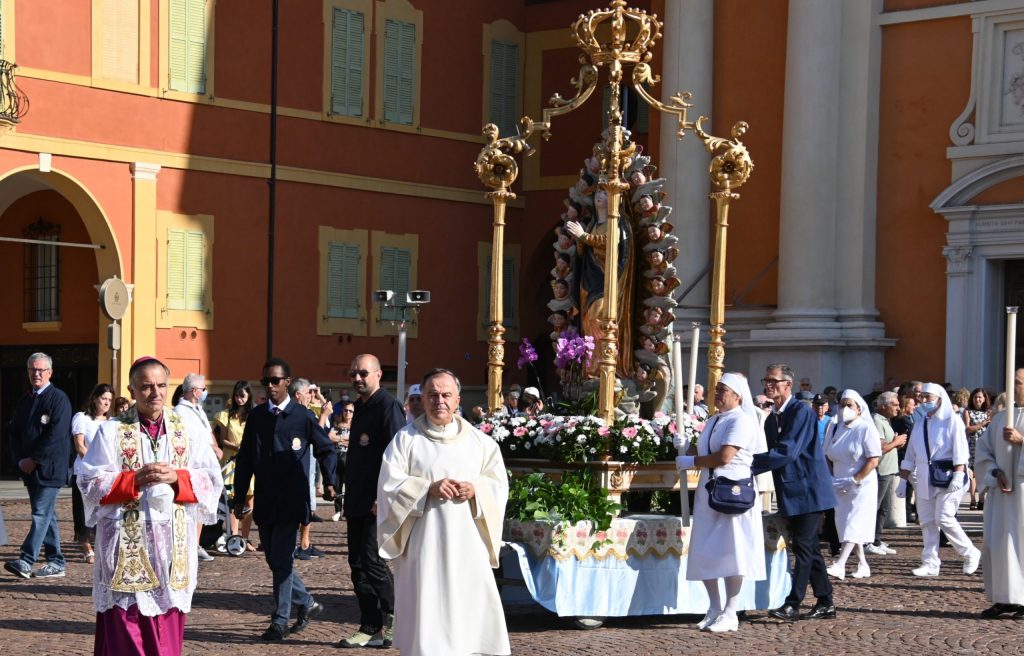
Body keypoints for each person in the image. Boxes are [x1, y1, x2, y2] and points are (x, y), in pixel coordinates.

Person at [76, 356, 223, 655]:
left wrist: (177, 478)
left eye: (160, 385)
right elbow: (89, 482)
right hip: (124, 548)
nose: (155, 392)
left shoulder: (188, 429)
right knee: (125, 626)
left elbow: (211, 480)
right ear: (132, 390)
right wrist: (132, 481)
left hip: (172, 548)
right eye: (146, 387)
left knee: (165, 630)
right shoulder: (112, 431)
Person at [378, 368, 511, 655]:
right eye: (433, 395)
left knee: (468, 611)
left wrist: (476, 490)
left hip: (468, 544)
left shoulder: (480, 442)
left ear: (457, 399)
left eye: (446, 395)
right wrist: (427, 489)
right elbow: (389, 486)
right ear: (422, 399)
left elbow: (498, 484)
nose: (440, 400)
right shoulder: (405, 440)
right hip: (423, 546)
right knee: (428, 611)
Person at [232, 357, 337, 641]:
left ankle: (279, 620)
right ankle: (307, 602)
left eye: (275, 380)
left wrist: (330, 481)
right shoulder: (257, 417)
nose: (270, 386)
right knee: (275, 560)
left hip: (292, 500)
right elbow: (245, 461)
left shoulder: (303, 416)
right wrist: (239, 496)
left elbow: (326, 448)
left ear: (287, 382)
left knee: (282, 560)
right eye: (265, 381)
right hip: (265, 499)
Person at [673, 373, 766, 633]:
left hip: (732, 491)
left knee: (732, 551)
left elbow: (724, 456)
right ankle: (714, 607)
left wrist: (692, 462)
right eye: (717, 389)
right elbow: (705, 453)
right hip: (708, 490)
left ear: (737, 396)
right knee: (705, 550)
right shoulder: (713, 419)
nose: (717, 393)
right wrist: (687, 447)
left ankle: (730, 611)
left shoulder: (742, 421)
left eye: (723, 389)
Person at [753, 363, 837, 621]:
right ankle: (825, 602)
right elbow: (770, 451)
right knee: (809, 548)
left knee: (802, 546)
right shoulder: (770, 420)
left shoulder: (801, 412)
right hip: (790, 491)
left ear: (788, 385)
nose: (768, 384)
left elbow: (787, 452)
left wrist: (747, 464)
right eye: (765, 380)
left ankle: (793, 603)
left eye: (773, 380)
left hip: (809, 490)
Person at [338, 354, 404, 649]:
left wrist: (384, 496)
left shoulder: (387, 406)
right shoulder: (360, 408)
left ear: (378, 374)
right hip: (356, 498)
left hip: (377, 501)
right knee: (357, 564)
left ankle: (395, 617)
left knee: (373, 562)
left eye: (363, 373)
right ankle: (369, 624)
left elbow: (398, 456)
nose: (357, 378)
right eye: (353, 373)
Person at [896, 383, 981, 577]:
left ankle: (970, 552)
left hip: (948, 475)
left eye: (928, 397)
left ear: (940, 399)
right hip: (924, 476)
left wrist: (959, 474)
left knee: (944, 517)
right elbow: (910, 454)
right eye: (922, 397)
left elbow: (961, 450)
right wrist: (903, 479)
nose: (924, 401)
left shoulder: (952, 421)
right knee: (927, 521)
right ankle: (930, 562)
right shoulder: (920, 423)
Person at [4, 352, 73, 580]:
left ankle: (26, 559)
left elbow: (55, 435)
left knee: (41, 514)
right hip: (29, 470)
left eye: (41, 370)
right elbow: (14, 433)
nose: (36, 374)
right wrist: (20, 460)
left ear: (50, 373)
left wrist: (34, 459)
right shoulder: (26, 400)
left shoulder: (58, 398)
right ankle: (56, 561)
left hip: (50, 468)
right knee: (47, 515)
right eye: (33, 370)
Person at [975, 368, 1024, 618]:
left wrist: (1022, 441)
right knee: (998, 544)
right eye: (1013, 382)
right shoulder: (1000, 419)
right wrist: (995, 472)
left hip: (1023, 495)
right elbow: (983, 453)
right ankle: (1004, 597)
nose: (1015, 387)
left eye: (1019, 382)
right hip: (1003, 494)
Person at [824, 390, 881, 580]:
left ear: (859, 408)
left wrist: (854, 479)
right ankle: (863, 564)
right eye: (842, 405)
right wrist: (832, 477)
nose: (845, 409)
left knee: (853, 523)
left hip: (861, 484)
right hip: (838, 482)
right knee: (844, 523)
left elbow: (873, 459)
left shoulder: (865, 429)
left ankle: (840, 564)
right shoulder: (834, 428)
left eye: (850, 405)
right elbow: (827, 455)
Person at [175, 373, 221, 563]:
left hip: (206, 464)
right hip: (193, 465)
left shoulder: (198, 410)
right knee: (192, 504)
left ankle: (196, 543)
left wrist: (216, 447)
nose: (205, 393)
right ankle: (188, 544)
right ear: (194, 391)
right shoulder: (180, 411)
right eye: (203, 389)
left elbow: (207, 432)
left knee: (203, 503)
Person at [71, 383, 114, 564]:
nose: (106, 403)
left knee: (103, 510)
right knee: (82, 511)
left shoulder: (112, 422)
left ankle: (101, 544)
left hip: (106, 473)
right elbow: (80, 445)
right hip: (85, 471)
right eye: (103, 398)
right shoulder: (82, 418)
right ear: (95, 398)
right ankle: (86, 547)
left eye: (109, 400)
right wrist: (93, 463)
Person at [290, 378, 331, 560]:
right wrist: (323, 416)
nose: (310, 396)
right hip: (298, 466)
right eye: (308, 393)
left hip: (309, 463)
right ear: (298, 395)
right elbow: (317, 435)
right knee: (301, 504)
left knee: (309, 505)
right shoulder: (295, 414)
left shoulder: (305, 412)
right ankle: (297, 545)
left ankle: (304, 544)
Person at [213, 380, 256, 551]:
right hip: (232, 460)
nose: (239, 399)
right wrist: (238, 447)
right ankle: (234, 537)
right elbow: (222, 440)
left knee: (249, 500)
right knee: (232, 501)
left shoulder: (254, 416)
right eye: (237, 396)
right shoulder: (226, 416)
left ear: (248, 396)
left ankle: (245, 539)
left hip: (249, 461)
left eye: (243, 396)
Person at [866, 391, 907, 555]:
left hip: (890, 470)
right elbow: (881, 447)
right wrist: (896, 442)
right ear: (884, 406)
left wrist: (896, 443)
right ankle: (867, 540)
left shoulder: (885, 420)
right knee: (874, 507)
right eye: (895, 405)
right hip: (881, 470)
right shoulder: (877, 420)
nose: (898, 408)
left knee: (883, 508)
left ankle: (876, 539)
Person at [963, 388, 992, 510]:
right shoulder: (967, 411)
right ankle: (973, 500)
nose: (977, 399)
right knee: (972, 473)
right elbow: (967, 429)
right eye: (975, 397)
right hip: (972, 445)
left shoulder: (989, 412)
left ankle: (981, 499)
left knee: (983, 471)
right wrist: (982, 424)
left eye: (980, 397)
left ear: (984, 399)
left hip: (985, 445)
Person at [328, 400, 355, 521]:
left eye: (350, 411)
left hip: (351, 458)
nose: (348, 413)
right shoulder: (337, 424)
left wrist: (338, 439)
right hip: (338, 457)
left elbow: (355, 440)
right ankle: (338, 511)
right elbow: (330, 437)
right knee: (338, 484)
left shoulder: (356, 425)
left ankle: (348, 510)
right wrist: (344, 439)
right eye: (346, 410)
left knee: (350, 486)